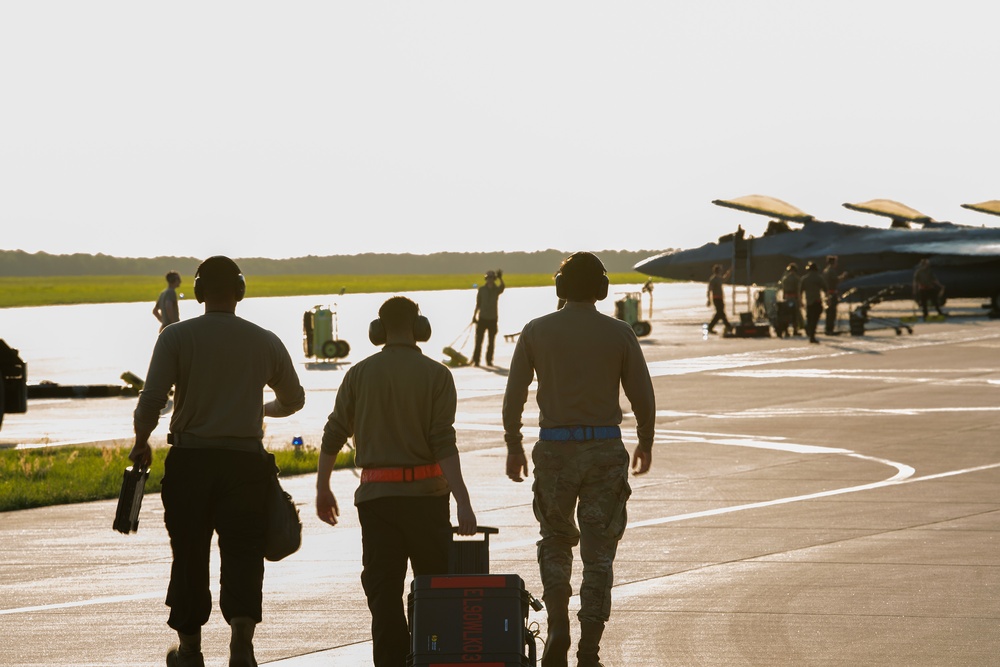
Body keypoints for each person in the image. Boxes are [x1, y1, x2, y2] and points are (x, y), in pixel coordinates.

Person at [129, 256, 306, 667]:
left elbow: (152, 400)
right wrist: (262, 408)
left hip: (191, 461)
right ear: (240, 291)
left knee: (189, 554)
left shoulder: (175, 337)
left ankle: (190, 650)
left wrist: (142, 441)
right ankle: (241, 644)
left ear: (197, 292)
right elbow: (294, 399)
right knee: (243, 552)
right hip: (245, 464)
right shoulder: (265, 340)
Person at [502, 252, 656, 667]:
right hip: (604, 450)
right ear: (601, 289)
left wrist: (513, 444)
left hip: (553, 449)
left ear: (560, 287)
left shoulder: (536, 331)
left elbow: (514, 393)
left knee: (554, 540)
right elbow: (642, 394)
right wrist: (646, 440)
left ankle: (557, 625)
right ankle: (589, 648)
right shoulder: (620, 333)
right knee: (598, 551)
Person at [315, 296, 477, 667]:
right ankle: (431, 656)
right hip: (427, 498)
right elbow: (443, 442)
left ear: (379, 330)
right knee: (432, 588)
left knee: (383, 590)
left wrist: (323, 488)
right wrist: (463, 499)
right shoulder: (438, 375)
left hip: (377, 501)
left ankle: (391, 661)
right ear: (420, 328)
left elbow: (333, 432)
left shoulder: (359, 373)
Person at [471, 269, 505, 366]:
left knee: (491, 342)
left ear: (494, 279)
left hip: (493, 319)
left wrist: (500, 278)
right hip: (482, 318)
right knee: (478, 341)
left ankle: (489, 360)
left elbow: (502, 287)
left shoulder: (496, 290)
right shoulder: (481, 290)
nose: (490, 280)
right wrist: (474, 316)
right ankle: (476, 360)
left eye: (491, 278)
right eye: (488, 278)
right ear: (486, 279)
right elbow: (478, 304)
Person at [799, 261, 825, 344]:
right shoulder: (818, 277)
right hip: (817, 301)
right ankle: (812, 335)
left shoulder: (804, 278)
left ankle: (809, 329)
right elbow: (825, 288)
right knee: (815, 318)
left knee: (810, 318)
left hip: (809, 302)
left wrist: (800, 301)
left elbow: (800, 292)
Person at [821, 255, 847, 335]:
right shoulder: (831, 271)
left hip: (828, 293)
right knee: (831, 312)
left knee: (829, 312)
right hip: (832, 293)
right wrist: (843, 276)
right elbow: (835, 281)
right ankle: (830, 329)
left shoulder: (825, 270)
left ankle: (828, 329)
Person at [706, 263, 732, 334]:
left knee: (720, 313)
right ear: (718, 271)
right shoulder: (713, 279)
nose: (721, 271)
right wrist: (709, 300)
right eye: (721, 270)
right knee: (721, 313)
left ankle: (710, 327)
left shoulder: (718, 278)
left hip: (720, 298)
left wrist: (729, 271)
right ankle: (728, 326)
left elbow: (725, 278)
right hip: (716, 298)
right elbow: (709, 290)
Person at [779, 262, 802, 336]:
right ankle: (795, 330)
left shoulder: (785, 278)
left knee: (786, 315)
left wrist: (784, 298)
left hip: (787, 298)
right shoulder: (796, 278)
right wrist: (799, 300)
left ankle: (786, 331)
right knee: (794, 314)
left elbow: (783, 289)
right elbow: (798, 290)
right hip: (794, 298)